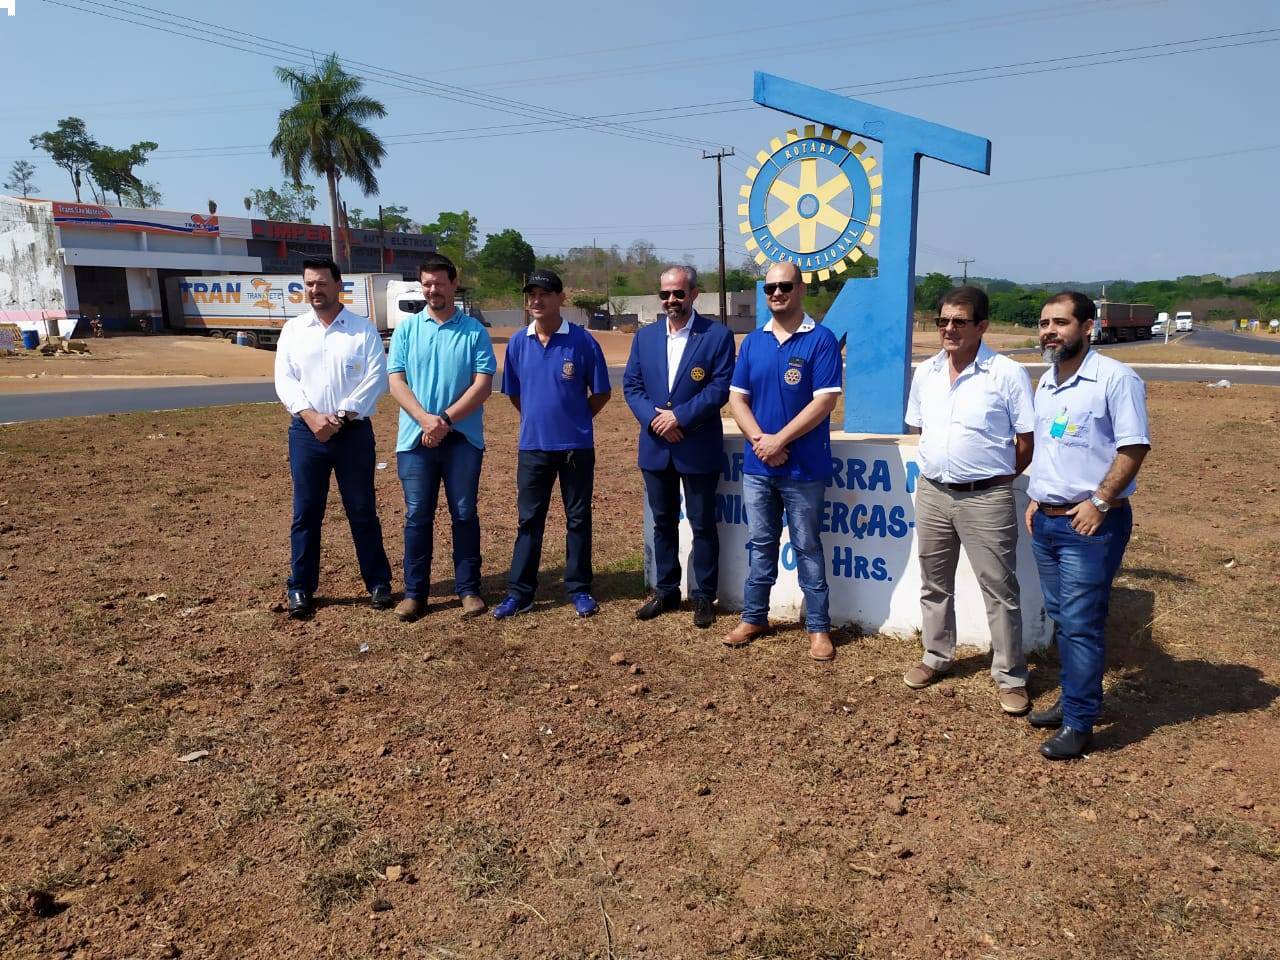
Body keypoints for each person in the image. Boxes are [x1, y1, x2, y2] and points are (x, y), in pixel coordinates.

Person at [1025, 291, 1150, 760]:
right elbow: (1051, 448)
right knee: (1063, 618)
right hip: (1048, 521)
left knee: (1081, 623)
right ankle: (1073, 697)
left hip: (1091, 525)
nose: (1050, 332)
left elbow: (1133, 447)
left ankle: (1079, 722)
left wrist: (1099, 502)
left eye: (1060, 323)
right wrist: (1036, 497)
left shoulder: (1115, 379)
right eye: (1044, 324)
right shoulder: (1048, 381)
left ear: (1088, 327)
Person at [902, 286, 1035, 716]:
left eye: (959, 321)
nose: (949, 329)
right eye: (942, 321)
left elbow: (1026, 441)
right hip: (933, 493)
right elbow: (922, 429)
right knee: (934, 582)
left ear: (982, 326)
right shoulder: (926, 373)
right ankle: (936, 655)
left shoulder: (1007, 374)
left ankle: (1011, 676)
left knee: (999, 589)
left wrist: (996, 479)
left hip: (987, 498)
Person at [724, 262, 842, 661]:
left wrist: (780, 440)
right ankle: (754, 617)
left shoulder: (820, 340)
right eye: (770, 287)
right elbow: (737, 399)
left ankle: (818, 628)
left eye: (785, 286)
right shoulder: (753, 342)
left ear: (801, 289)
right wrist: (761, 441)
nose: (777, 293)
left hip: (803, 469)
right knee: (761, 544)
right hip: (759, 467)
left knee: (807, 546)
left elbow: (824, 402)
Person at [273, 257, 393, 618]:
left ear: (339, 285)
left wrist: (341, 416)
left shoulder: (361, 330)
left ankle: (378, 583)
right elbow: (285, 379)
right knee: (306, 512)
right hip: (306, 434)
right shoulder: (294, 330)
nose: (315, 290)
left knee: (362, 510)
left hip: (352, 433)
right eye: (309, 284)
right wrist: (311, 417)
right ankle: (300, 587)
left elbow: (376, 377)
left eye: (322, 283)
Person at [494, 268, 612, 619]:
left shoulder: (583, 341)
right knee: (529, 520)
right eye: (531, 294)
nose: (536, 300)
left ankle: (579, 588)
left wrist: (575, 420)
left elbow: (601, 392)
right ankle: (520, 593)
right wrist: (537, 419)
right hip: (533, 447)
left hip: (576, 447)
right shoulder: (519, 342)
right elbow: (515, 394)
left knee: (578, 518)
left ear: (561, 298)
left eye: (544, 294)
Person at [623, 265, 735, 629]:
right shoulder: (645, 337)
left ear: (694, 294)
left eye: (678, 293)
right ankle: (666, 590)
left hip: (696, 444)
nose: (671, 300)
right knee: (663, 522)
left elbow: (719, 388)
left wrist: (680, 418)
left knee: (702, 524)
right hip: (656, 446)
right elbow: (632, 386)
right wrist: (656, 421)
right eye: (665, 294)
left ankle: (703, 596)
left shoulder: (716, 336)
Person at [387, 253, 497, 622]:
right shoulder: (407, 330)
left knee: (464, 513)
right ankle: (415, 593)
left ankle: (468, 589)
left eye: (440, 283)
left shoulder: (474, 331)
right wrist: (424, 420)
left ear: (453, 284)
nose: (433, 289)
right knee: (417, 515)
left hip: (462, 438)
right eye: (427, 283)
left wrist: (445, 420)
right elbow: (396, 381)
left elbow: (483, 385)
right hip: (415, 440)